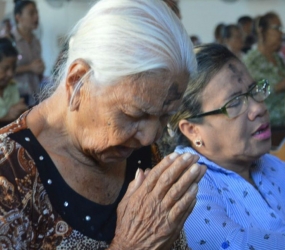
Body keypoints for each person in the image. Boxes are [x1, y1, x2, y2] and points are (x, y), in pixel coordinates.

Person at [0, 0, 207, 249]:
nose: (150, 136)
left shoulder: (142, 153)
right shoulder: (8, 171)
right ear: (77, 80)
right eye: (134, 114)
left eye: (165, 116)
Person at [161, 43, 285, 249]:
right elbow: (233, 243)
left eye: (255, 91)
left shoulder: (268, 164)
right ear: (192, 130)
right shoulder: (186, 186)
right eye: (234, 103)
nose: (259, 108)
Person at [243, 12, 285, 129]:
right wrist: (279, 86)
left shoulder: (278, 58)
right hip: (271, 118)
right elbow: (249, 95)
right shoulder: (250, 61)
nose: (281, 33)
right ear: (262, 31)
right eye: (277, 28)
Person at [12, 0, 45, 106]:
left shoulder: (36, 41)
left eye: (37, 13)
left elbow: (37, 70)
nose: (36, 17)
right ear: (18, 17)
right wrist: (29, 67)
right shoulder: (9, 40)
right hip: (16, 98)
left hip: (34, 94)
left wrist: (40, 69)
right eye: (31, 13)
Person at [0, 38, 28, 126]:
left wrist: (21, 113)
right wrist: (6, 117)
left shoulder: (12, 87)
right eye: (6, 68)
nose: (11, 74)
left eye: (14, 68)